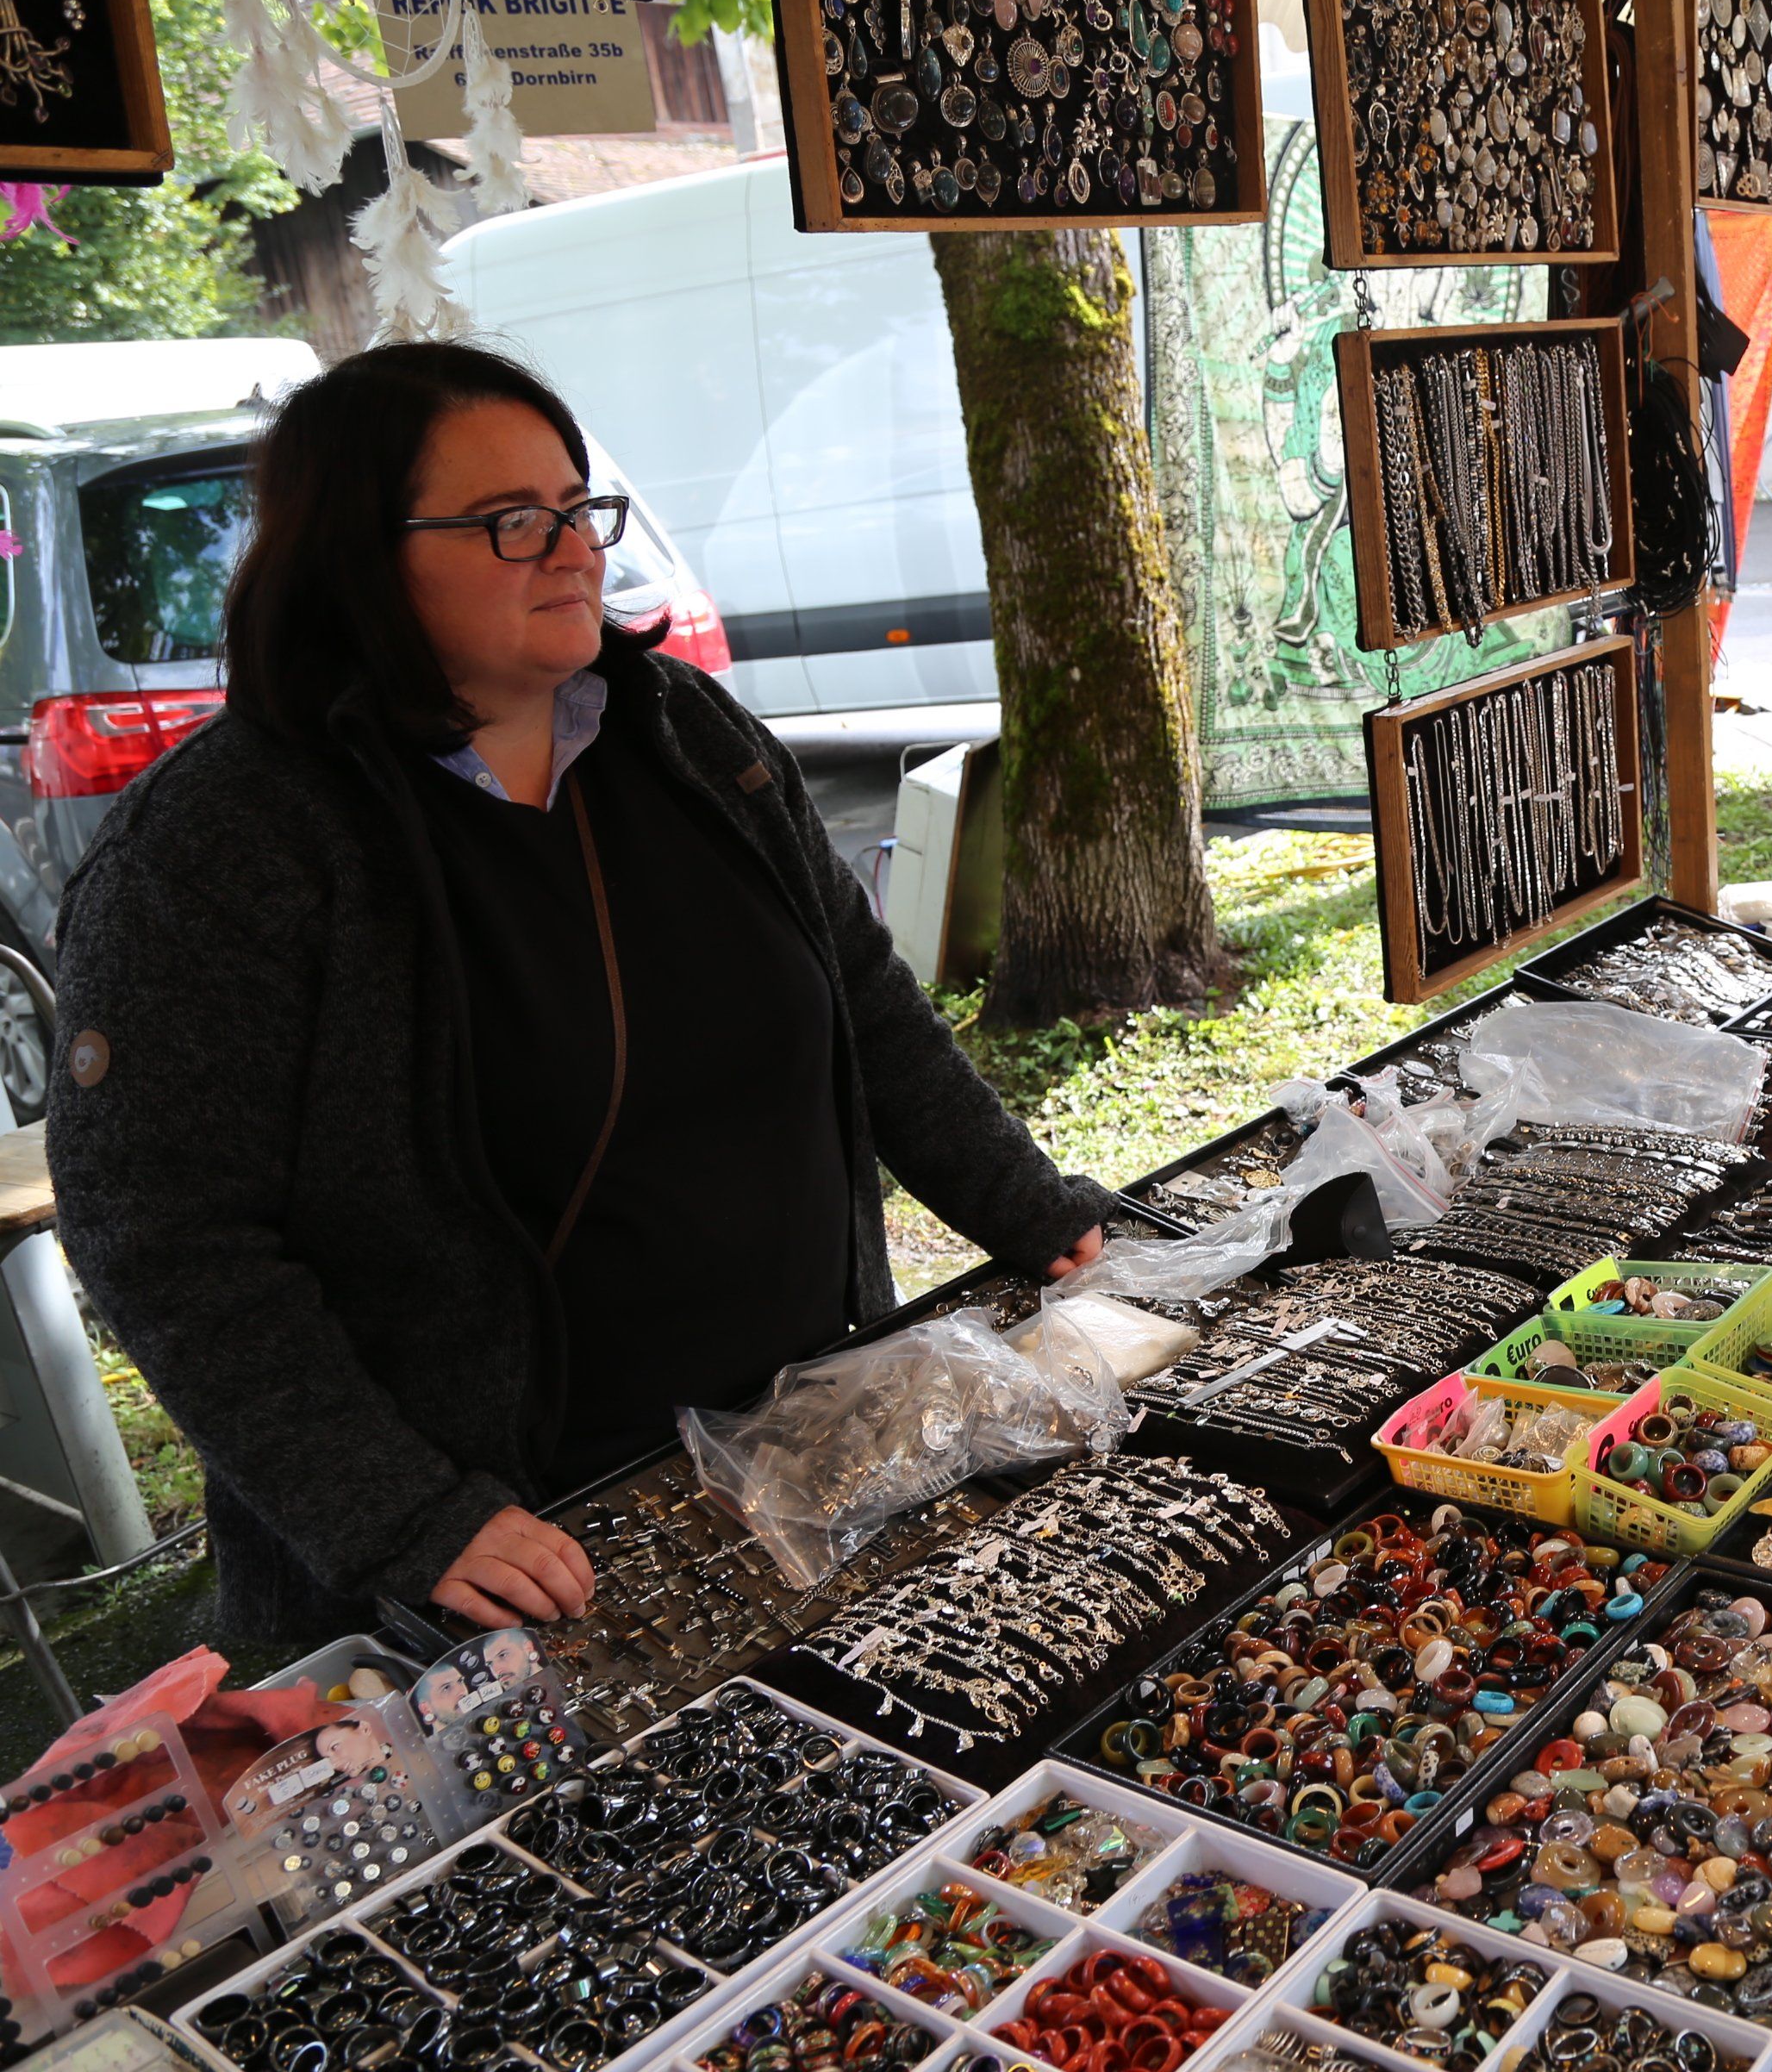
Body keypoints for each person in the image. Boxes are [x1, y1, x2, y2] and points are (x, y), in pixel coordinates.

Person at [46, 343, 1119, 1644]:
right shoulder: (221, 846)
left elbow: (864, 1004)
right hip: (510, 1548)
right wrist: (405, 1513)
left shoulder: (689, 736)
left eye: (577, 507)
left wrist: (1028, 1209)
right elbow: (165, 1235)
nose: (573, 550)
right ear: (358, 557)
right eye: (512, 522)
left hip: (803, 1451)